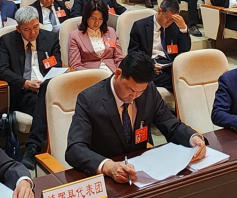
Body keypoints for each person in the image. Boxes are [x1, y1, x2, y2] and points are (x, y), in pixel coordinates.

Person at [64, 50, 207, 182]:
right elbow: (75, 149)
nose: (134, 96)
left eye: (140, 91)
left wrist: (193, 138)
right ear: (118, 74)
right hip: (109, 178)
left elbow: (170, 124)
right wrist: (108, 166)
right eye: (130, 89)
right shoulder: (89, 99)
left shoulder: (149, 91)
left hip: (141, 173)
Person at [0, 6, 61, 166]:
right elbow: (1, 70)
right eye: (27, 29)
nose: (33, 33)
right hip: (23, 92)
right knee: (45, 105)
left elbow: (57, 66)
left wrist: (45, 83)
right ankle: (40, 148)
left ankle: (32, 148)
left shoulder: (51, 38)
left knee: (46, 88)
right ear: (18, 29)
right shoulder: (7, 41)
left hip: (47, 88)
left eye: (36, 27)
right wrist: (25, 83)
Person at [127, 0, 191, 87]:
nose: (169, 22)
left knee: (189, 76)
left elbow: (185, 49)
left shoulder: (175, 26)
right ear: (160, 11)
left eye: (173, 20)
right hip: (151, 66)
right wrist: (149, 65)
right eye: (168, 18)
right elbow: (133, 54)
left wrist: (183, 28)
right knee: (178, 82)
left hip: (170, 65)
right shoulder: (140, 26)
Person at [68, 0, 124, 73]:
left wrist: (120, 72)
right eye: (93, 18)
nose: (97, 23)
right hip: (90, 74)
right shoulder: (75, 36)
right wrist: (94, 75)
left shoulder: (111, 31)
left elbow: (119, 58)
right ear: (86, 17)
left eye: (100, 19)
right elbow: (75, 65)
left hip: (113, 72)